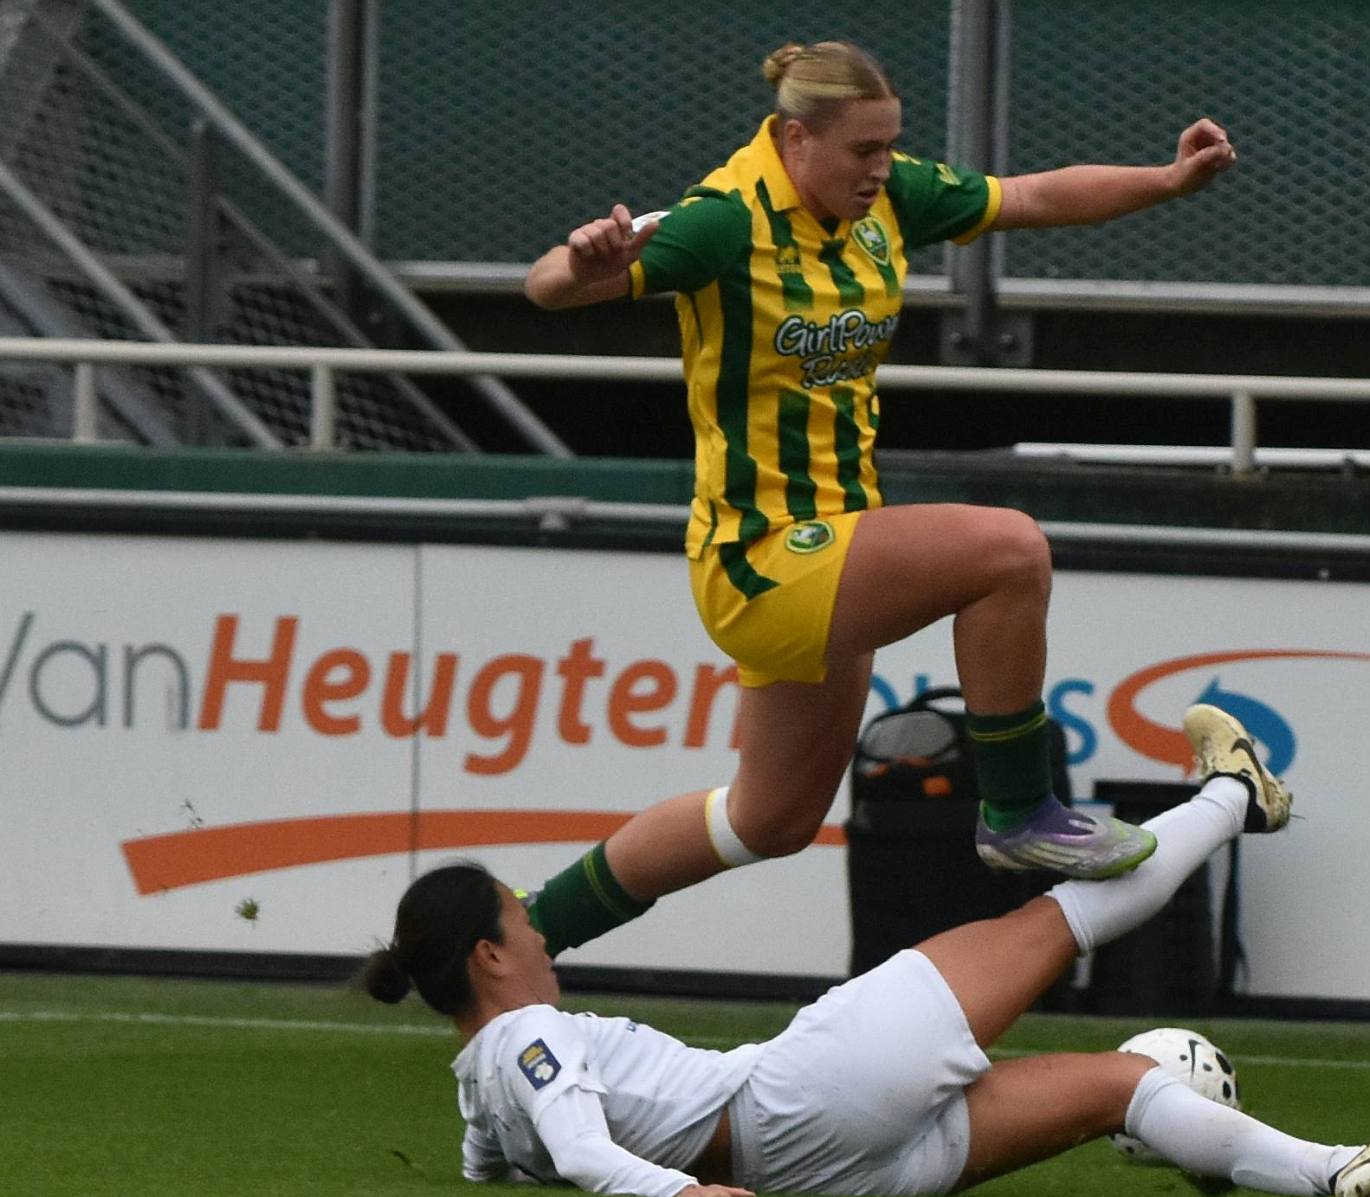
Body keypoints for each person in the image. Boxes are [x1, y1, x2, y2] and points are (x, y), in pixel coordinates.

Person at [513, 40, 1244, 956]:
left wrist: (1166, 182)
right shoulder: (723, 218)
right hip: (765, 557)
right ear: (794, 138)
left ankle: (525, 933)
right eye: (862, 149)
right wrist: (582, 261)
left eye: (890, 145)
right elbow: (548, 286)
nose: (881, 167)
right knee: (1009, 551)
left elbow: (1030, 197)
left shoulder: (886, 198)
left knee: (766, 821)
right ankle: (1018, 810)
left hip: (835, 548)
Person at [363, 706, 1370, 1197]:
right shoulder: (533, 1036)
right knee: (1068, 912)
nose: (538, 935)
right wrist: (682, 1192)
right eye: (522, 919)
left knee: (1119, 1085)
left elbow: (494, 1164)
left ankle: (1338, 1167)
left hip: (822, 1167)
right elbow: (580, 1148)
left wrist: (507, 1181)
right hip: (799, 1094)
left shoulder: (481, 1068)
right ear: (490, 953)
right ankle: (1239, 790)